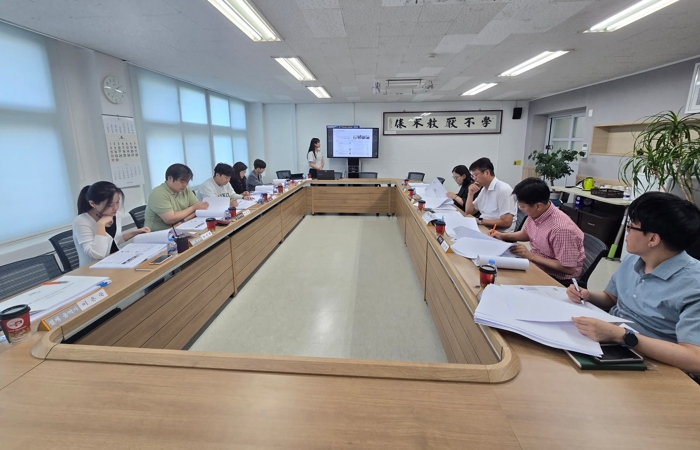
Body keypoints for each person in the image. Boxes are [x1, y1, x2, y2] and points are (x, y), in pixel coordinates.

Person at [565, 192, 700, 375]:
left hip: (654, 364)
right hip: (611, 342)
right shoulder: (633, 259)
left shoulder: (693, 285)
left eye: (631, 227)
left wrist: (622, 336)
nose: (626, 233)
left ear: (653, 239)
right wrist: (588, 295)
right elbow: (611, 297)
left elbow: (695, 359)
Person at [492, 178, 584, 285]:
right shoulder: (537, 213)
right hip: (536, 266)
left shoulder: (561, 229)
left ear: (538, 206)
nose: (521, 209)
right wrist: (502, 236)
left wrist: (531, 256)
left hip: (557, 279)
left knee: (504, 282)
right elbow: (527, 233)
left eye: (523, 206)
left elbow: (569, 268)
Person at [72, 181, 150, 266]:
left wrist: (135, 232)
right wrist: (101, 224)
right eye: (109, 205)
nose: (115, 208)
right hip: (93, 269)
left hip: (116, 262)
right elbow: (98, 254)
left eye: (117, 202)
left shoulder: (116, 215)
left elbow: (114, 240)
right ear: (92, 203)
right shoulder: (81, 221)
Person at [145, 163, 209, 232]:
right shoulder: (158, 193)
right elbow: (170, 219)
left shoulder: (185, 190)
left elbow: (198, 210)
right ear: (170, 178)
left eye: (187, 181)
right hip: (159, 233)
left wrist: (183, 220)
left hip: (181, 227)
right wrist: (193, 208)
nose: (185, 185)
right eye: (182, 181)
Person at [464, 157, 517, 231]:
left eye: (476, 175)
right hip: (484, 227)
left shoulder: (503, 190)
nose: (474, 179)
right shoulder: (484, 189)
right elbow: (469, 212)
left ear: (487, 173)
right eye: (473, 176)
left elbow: (506, 222)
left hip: (499, 233)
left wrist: (479, 221)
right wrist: (470, 194)